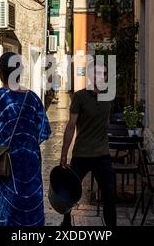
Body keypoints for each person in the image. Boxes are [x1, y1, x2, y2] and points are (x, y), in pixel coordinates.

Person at [0, 52, 52, 226]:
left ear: (1, 73)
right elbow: (44, 132)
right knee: (27, 206)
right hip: (28, 165)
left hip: (1, 163)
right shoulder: (33, 98)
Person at [60, 62, 116, 227]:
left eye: (105, 73)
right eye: (98, 73)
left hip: (102, 154)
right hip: (81, 154)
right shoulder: (79, 97)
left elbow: (105, 121)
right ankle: (66, 223)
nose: (102, 77)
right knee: (70, 192)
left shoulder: (108, 95)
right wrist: (64, 154)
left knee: (109, 196)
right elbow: (71, 126)